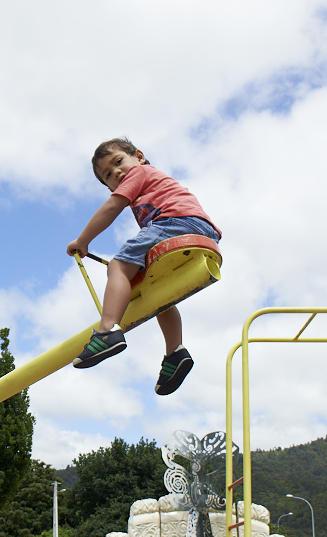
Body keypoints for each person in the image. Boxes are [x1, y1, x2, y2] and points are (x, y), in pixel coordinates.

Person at [66, 138, 222, 395]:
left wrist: (82, 241)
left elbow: (112, 206)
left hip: (175, 222)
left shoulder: (139, 172)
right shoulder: (147, 180)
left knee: (117, 266)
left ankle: (107, 331)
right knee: (156, 290)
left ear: (139, 155)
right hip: (199, 228)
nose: (116, 172)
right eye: (108, 175)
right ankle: (175, 352)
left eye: (118, 162)